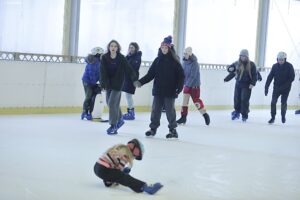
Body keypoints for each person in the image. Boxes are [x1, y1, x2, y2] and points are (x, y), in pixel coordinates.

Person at [134, 36, 184, 138]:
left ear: (169, 49)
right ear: (160, 49)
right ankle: (153, 129)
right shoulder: (157, 60)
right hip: (158, 90)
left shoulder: (175, 61)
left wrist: (179, 89)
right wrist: (140, 82)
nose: (164, 50)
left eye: (166, 48)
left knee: (170, 111)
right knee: (155, 110)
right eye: (162, 48)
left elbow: (181, 76)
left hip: (170, 91)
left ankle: (173, 130)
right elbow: (150, 74)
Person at [94, 138, 163, 194]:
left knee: (115, 175)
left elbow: (113, 164)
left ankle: (108, 182)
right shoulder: (126, 153)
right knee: (124, 177)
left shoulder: (120, 148)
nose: (135, 157)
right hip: (104, 169)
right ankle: (144, 187)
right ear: (135, 149)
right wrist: (123, 172)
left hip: (97, 167)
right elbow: (119, 169)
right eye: (137, 154)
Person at [100, 40, 137, 135]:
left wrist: (134, 79)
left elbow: (129, 69)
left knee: (112, 103)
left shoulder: (121, 58)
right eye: (111, 46)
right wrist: (103, 84)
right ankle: (120, 119)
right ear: (109, 47)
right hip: (108, 84)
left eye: (115, 46)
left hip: (118, 84)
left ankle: (113, 125)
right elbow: (102, 72)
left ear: (117, 48)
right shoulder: (104, 57)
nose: (113, 48)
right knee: (110, 103)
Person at [176, 47, 210, 126]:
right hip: (187, 85)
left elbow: (193, 76)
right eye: (184, 53)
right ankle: (183, 117)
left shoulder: (195, 63)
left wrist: (188, 85)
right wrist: (182, 83)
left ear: (190, 54)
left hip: (194, 86)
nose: (185, 55)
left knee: (196, 102)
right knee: (184, 102)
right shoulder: (184, 62)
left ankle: (205, 115)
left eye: (186, 54)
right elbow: (183, 74)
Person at [224, 49, 257, 122]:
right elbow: (230, 69)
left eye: (244, 56)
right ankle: (237, 112)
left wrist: (252, 83)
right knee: (236, 99)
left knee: (244, 100)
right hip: (238, 84)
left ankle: (244, 115)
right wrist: (230, 69)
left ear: (247, 57)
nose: (243, 58)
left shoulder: (251, 64)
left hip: (247, 85)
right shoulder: (237, 63)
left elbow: (255, 75)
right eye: (241, 56)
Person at [265, 51, 295, 124]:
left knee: (283, 102)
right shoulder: (274, 66)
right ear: (277, 59)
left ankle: (283, 116)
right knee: (273, 102)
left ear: (285, 59)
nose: (280, 61)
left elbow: (292, 78)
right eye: (279, 59)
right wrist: (266, 87)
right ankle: (273, 117)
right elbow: (270, 77)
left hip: (286, 88)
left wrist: (284, 86)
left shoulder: (289, 66)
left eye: (282, 59)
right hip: (277, 88)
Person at [81, 47, 104, 121]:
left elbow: (100, 74)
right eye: (101, 54)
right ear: (97, 54)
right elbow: (91, 74)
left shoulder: (100, 62)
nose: (102, 55)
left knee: (93, 97)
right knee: (88, 96)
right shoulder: (93, 61)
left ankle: (90, 112)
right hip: (87, 81)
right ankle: (84, 111)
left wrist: (102, 84)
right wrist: (94, 83)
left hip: (93, 82)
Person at [122, 42, 142, 120]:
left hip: (132, 79)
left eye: (132, 47)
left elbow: (133, 67)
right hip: (126, 78)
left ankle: (131, 113)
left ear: (136, 49)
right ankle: (130, 112)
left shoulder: (137, 57)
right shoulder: (128, 56)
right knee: (127, 95)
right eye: (130, 47)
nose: (131, 49)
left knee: (128, 95)